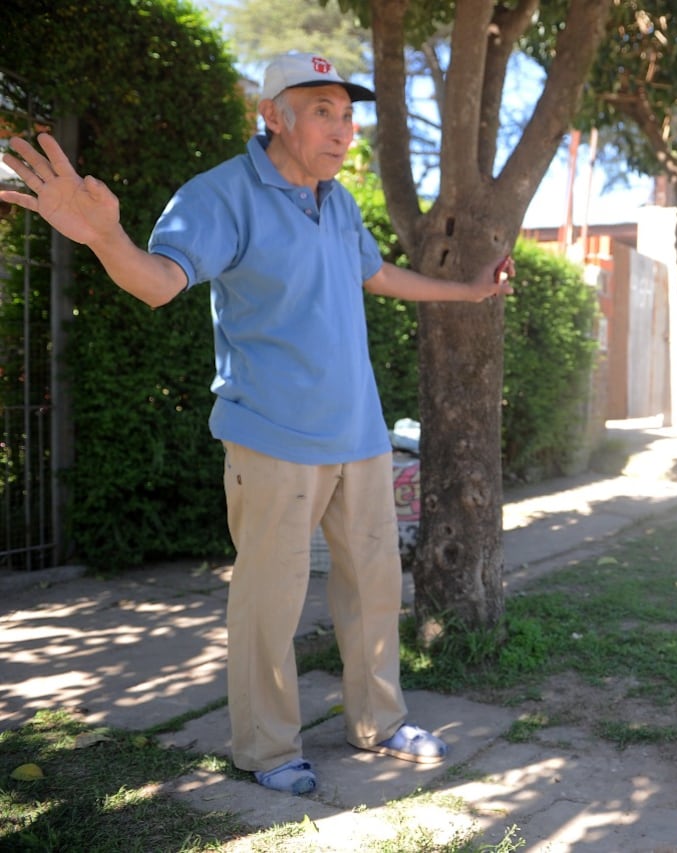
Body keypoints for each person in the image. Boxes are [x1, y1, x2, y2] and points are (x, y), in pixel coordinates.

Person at [0, 52, 515, 796]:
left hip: (360, 433)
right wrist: (105, 237)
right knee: (270, 601)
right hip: (271, 434)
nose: (344, 130)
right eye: (322, 111)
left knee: (374, 587)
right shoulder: (220, 195)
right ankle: (266, 748)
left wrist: (467, 293)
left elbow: (374, 274)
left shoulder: (336, 201)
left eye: (348, 113)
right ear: (273, 115)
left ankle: (378, 720)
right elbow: (157, 283)